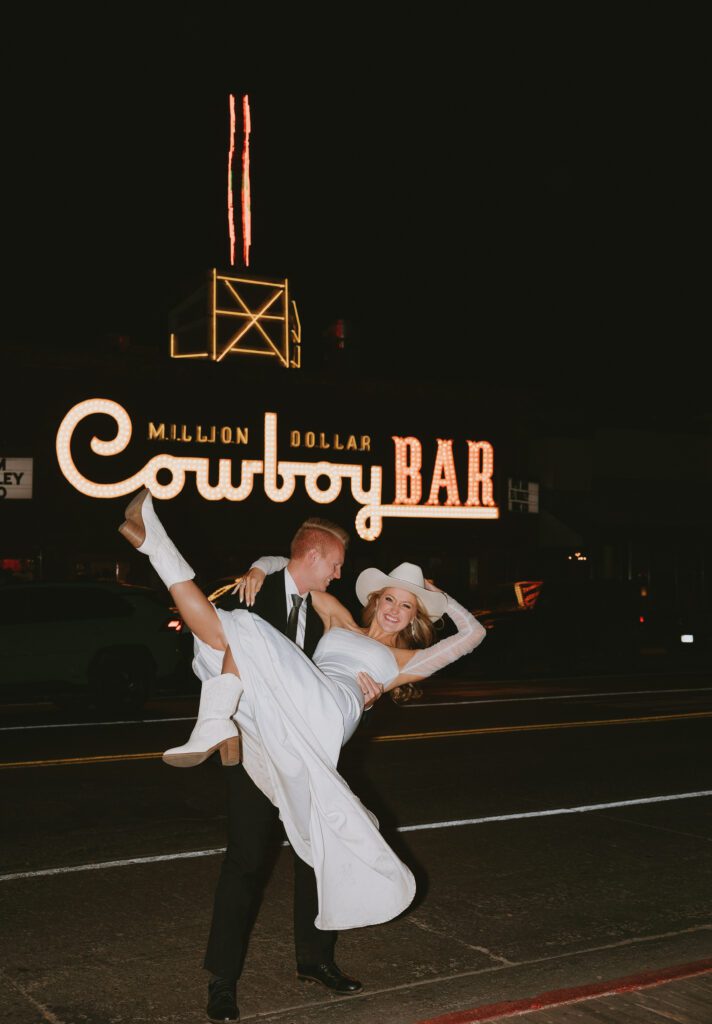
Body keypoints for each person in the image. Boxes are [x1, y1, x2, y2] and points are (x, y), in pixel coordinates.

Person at [118, 487, 486, 1021]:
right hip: (275, 728)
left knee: (238, 632)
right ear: (376, 598)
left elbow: (472, 636)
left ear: (412, 617)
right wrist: (260, 564)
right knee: (257, 855)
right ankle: (223, 979)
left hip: (325, 717)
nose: (394, 609)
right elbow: (296, 569)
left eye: (406, 606)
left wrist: (438, 593)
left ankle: (315, 960)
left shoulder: (405, 659)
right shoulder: (338, 617)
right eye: (390, 598)